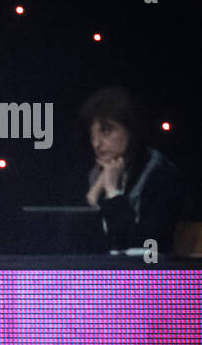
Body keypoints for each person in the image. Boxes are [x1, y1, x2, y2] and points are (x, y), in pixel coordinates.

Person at [79, 86, 192, 252]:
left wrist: (113, 193)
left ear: (131, 130)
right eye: (92, 134)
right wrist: (94, 194)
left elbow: (143, 244)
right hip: (103, 273)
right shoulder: (95, 175)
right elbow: (78, 243)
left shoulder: (161, 177)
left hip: (151, 274)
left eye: (106, 131)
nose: (96, 143)